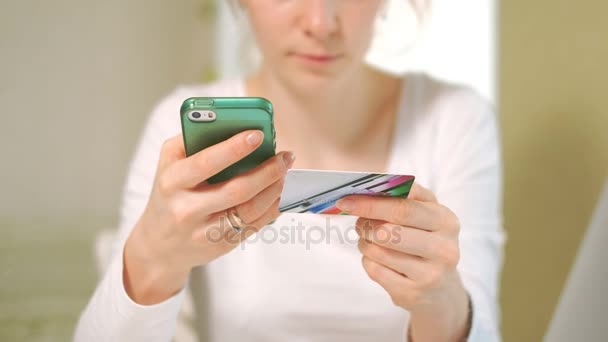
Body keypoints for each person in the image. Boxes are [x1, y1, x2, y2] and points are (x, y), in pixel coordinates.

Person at [74, 0, 505, 341]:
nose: (320, 22)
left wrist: (443, 304)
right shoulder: (175, 130)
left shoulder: (454, 120)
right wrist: (152, 259)